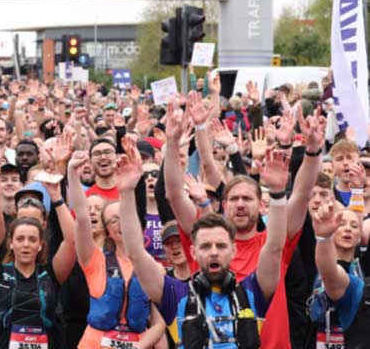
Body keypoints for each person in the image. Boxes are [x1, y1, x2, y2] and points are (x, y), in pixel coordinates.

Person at [117, 142, 288, 349]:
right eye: (206, 246)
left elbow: (275, 247)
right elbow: (135, 253)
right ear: (193, 252)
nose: (214, 252)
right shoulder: (175, 295)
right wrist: (126, 193)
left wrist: (278, 193)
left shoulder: (254, 293)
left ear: (233, 250)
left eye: (221, 246)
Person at [67, 149, 165, 349]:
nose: (121, 225)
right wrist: (72, 173)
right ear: (107, 230)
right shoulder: (94, 260)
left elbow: (159, 322)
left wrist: (138, 347)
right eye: (113, 221)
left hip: (137, 343)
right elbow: (82, 217)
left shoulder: (154, 268)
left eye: (125, 219)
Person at [0, 163, 77, 348]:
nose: (26, 245)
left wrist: (57, 198)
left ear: (40, 245)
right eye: (20, 239)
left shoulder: (51, 274)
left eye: (32, 239)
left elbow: (72, 241)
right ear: (11, 243)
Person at [307, 198, 366, 348]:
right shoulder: (317, 260)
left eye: (354, 226)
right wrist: (323, 237)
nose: (348, 229)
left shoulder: (362, 269)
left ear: (360, 237)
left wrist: (358, 191)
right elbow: (329, 271)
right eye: (341, 224)